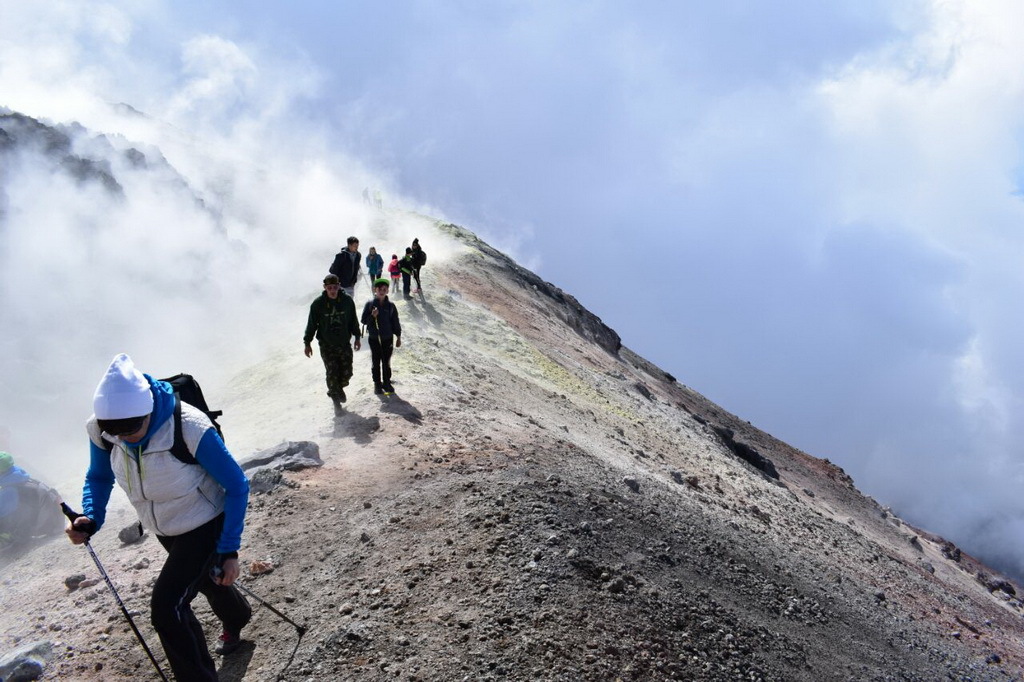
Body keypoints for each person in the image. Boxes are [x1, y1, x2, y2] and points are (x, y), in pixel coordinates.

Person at [66, 354, 251, 681]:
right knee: (209, 581)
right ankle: (238, 617)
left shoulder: (189, 426)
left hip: (207, 520)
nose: (125, 438)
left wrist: (230, 549)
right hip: (164, 525)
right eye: (116, 433)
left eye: (132, 428)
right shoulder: (104, 430)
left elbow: (237, 485)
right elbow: (98, 477)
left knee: (167, 607)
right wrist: (90, 518)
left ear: (148, 410)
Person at [304, 274, 362, 408]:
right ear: (325, 288)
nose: (332, 290)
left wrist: (357, 337)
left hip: (344, 343)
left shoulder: (347, 301)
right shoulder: (318, 304)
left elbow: (353, 320)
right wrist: (307, 343)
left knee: (347, 372)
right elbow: (311, 324)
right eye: (329, 287)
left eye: (335, 287)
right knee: (332, 372)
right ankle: (336, 400)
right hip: (327, 345)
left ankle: (337, 389)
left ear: (339, 286)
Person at [0, 451, 63, 552]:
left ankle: (12, 543)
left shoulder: (10, 491)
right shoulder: (20, 477)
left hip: (33, 530)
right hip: (52, 523)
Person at [361, 278, 402, 394]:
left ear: (387, 291)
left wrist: (398, 336)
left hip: (388, 338)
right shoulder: (369, 305)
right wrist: (372, 316)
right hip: (374, 338)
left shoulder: (391, 306)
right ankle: (377, 384)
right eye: (379, 289)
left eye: (384, 289)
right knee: (376, 361)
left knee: (386, 361)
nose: (382, 291)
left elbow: (395, 321)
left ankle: (387, 382)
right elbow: (363, 320)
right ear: (375, 289)